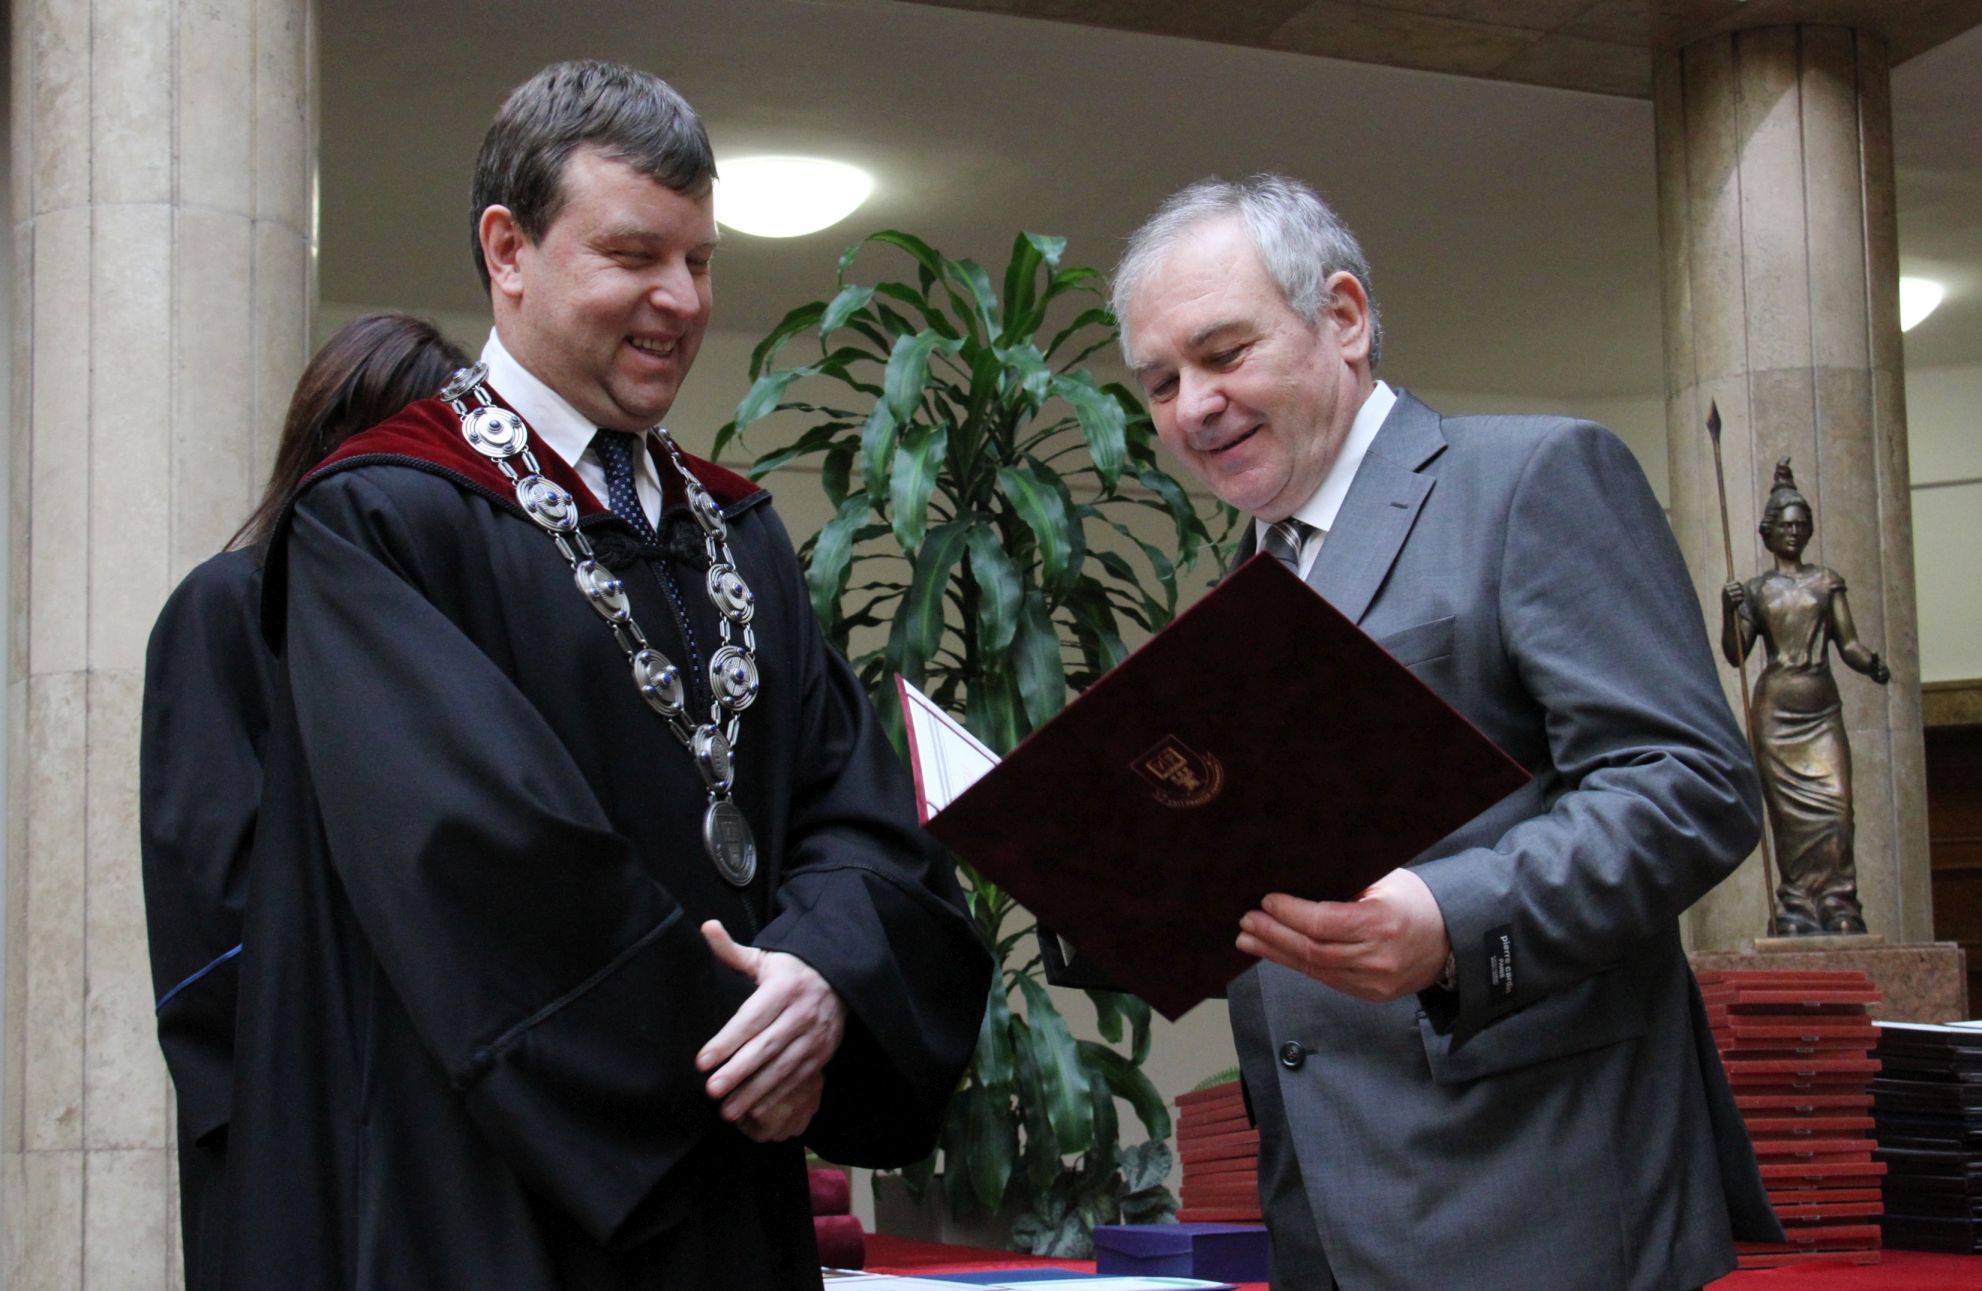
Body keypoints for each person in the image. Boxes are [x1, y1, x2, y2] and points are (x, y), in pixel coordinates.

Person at [216, 61, 989, 1286]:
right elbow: (480, 860)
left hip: (734, 1202)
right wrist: (739, 1056)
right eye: (634, 256)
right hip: (492, 1199)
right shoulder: (381, 522)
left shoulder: (737, 535)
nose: (679, 298)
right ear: (507, 251)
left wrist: (822, 984)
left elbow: (857, 810)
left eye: (699, 260)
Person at [1112, 174, 1780, 1291]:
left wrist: (1450, 920)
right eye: (1159, 382)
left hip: (1542, 1199)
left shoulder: (1527, 478)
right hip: (1324, 1221)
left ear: (1343, 316)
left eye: (1223, 354)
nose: (1193, 407)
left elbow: (1689, 784)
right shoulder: (1238, 592)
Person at [140, 311, 469, 1291]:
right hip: (296, 1112)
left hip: (447, 1126)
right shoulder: (228, 607)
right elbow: (214, 893)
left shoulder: (452, 640)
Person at [1721, 458, 1890, 935]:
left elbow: (1848, 644)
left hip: (1820, 707)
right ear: (1769, 532)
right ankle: (1796, 905)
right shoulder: (1757, 590)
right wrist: (1728, 610)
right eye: (1786, 525)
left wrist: (1871, 663)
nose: (1794, 533)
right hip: (1776, 712)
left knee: (1837, 810)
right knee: (1788, 820)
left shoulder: (1826, 581)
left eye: (1801, 525)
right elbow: (1736, 654)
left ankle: (1838, 903)